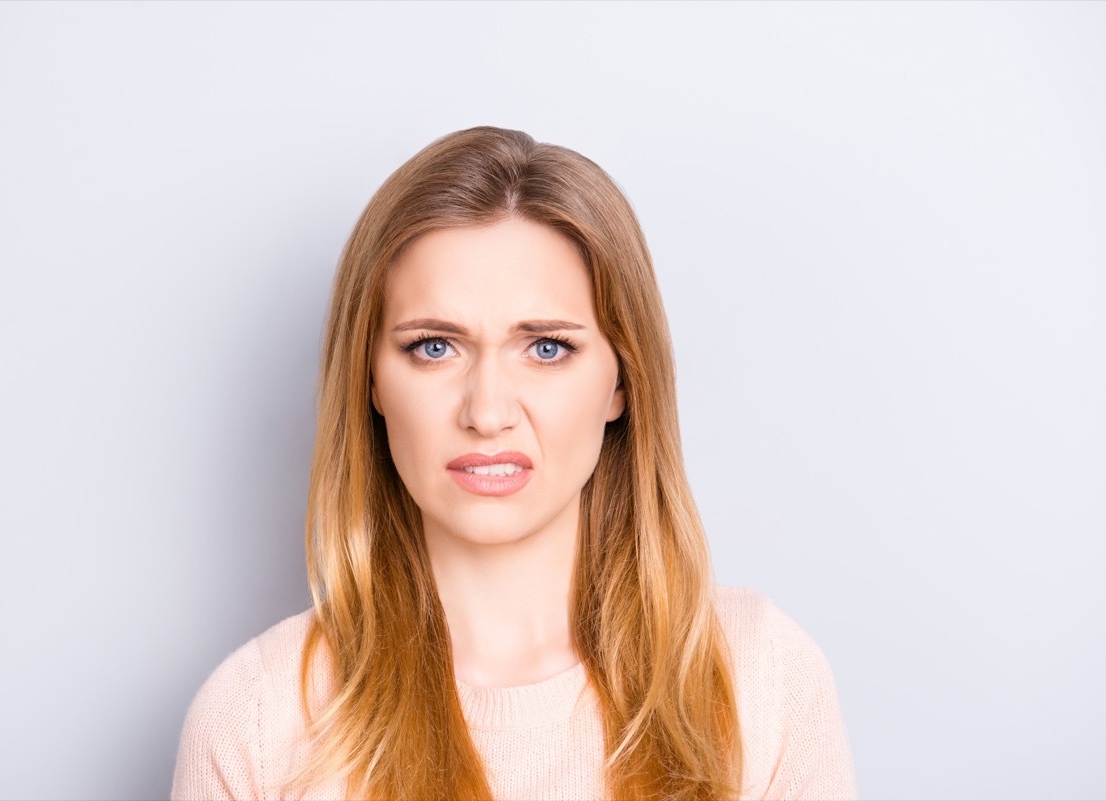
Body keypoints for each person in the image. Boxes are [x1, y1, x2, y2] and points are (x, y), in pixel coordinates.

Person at [171, 126, 857, 801]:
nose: (488, 410)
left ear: (622, 380)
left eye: (547, 348)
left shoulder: (761, 680)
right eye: (435, 346)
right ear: (370, 382)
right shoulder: (256, 718)